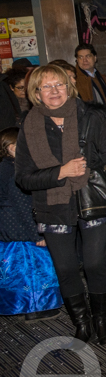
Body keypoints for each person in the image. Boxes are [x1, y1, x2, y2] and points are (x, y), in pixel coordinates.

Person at [15, 64, 106, 343]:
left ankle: (101, 322)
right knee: (66, 269)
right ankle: (82, 323)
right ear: (36, 92)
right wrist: (60, 172)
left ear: (68, 87)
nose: (54, 91)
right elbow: (23, 178)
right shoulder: (29, 125)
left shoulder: (90, 117)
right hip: (52, 207)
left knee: (95, 265)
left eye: (59, 84)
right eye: (46, 86)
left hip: (91, 200)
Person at [0, 127, 62, 321]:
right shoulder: (15, 172)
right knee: (34, 271)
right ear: (11, 148)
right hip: (23, 231)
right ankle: (37, 307)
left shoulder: (5, 167)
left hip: (10, 232)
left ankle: (19, 305)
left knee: (14, 272)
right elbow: (23, 205)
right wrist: (39, 233)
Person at [74, 43, 106, 142]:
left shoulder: (97, 75)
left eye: (88, 56)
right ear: (77, 60)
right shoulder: (77, 80)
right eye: (81, 57)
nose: (85, 60)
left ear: (95, 58)